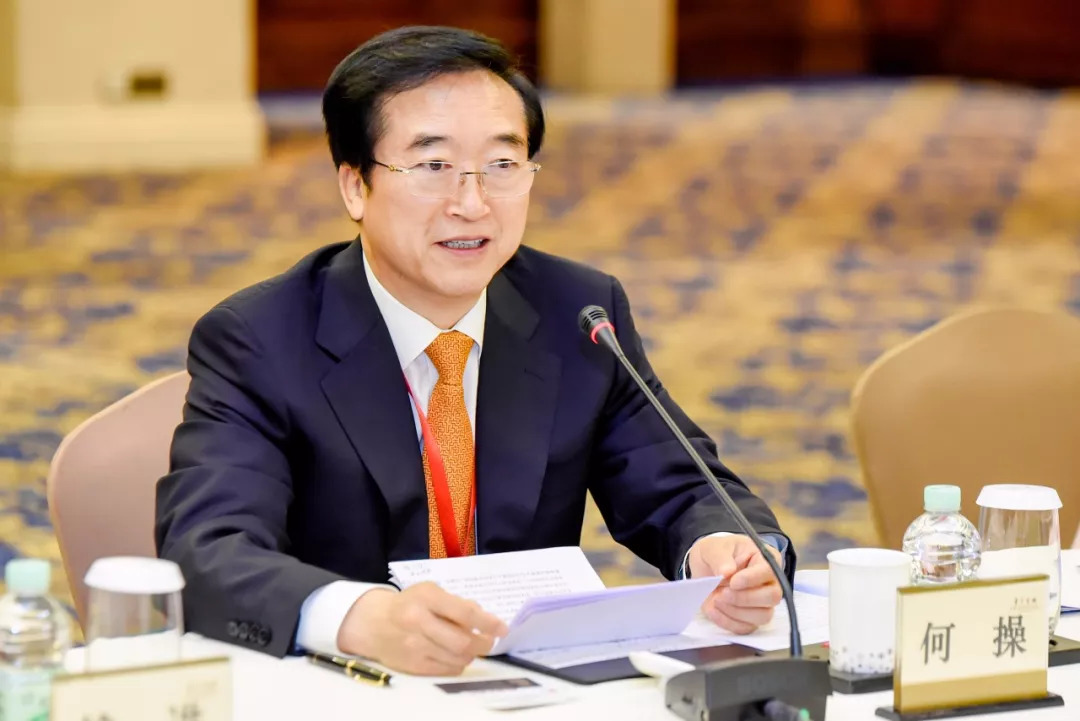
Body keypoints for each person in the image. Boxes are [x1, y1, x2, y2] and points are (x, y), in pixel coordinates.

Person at [155, 25, 794, 676]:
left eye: (502, 165)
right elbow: (208, 548)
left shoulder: (577, 312)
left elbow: (681, 485)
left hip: (530, 685)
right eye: (433, 166)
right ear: (355, 187)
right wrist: (360, 616)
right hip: (351, 685)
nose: (472, 203)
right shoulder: (260, 339)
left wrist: (725, 548)